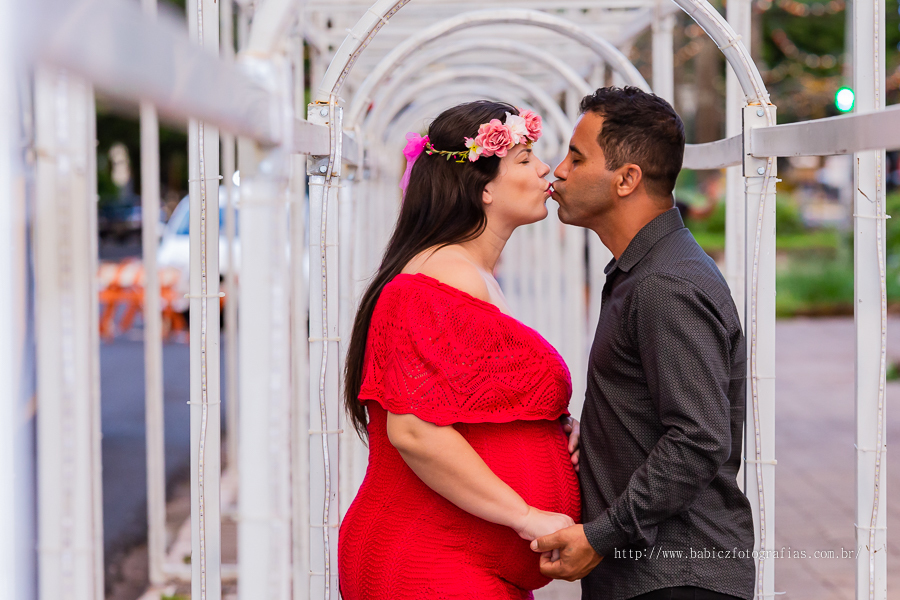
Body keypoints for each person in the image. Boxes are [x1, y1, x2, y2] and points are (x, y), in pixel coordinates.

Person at [339, 101, 581, 600]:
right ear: (483, 187)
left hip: (461, 562)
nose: (544, 169)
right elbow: (415, 431)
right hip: (429, 559)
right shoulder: (431, 281)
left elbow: (470, 397)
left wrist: (552, 427)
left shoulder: (468, 275)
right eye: (525, 158)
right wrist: (527, 516)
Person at [531, 86, 755, 600]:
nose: (557, 170)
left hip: (675, 579)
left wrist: (600, 537)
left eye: (577, 156)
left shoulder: (663, 284)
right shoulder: (646, 272)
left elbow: (698, 440)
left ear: (626, 179)